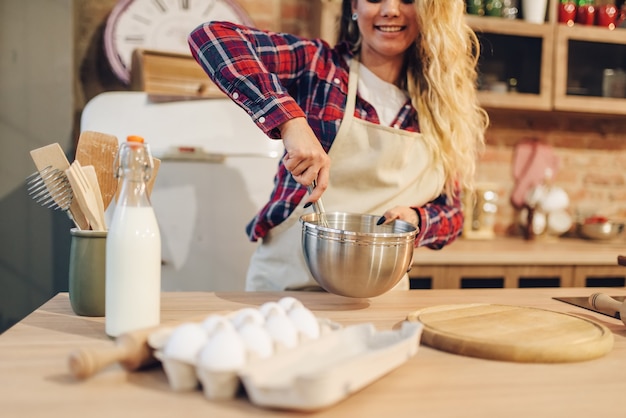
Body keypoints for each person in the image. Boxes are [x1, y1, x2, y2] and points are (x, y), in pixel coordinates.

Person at [188, 0, 488, 291]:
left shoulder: (443, 109)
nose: (390, 10)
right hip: (286, 290)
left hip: (381, 298)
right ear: (354, 7)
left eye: (407, 0)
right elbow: (211, 37)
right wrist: (291, 122)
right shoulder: (318, 66)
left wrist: (417, 221)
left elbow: (453, 213)